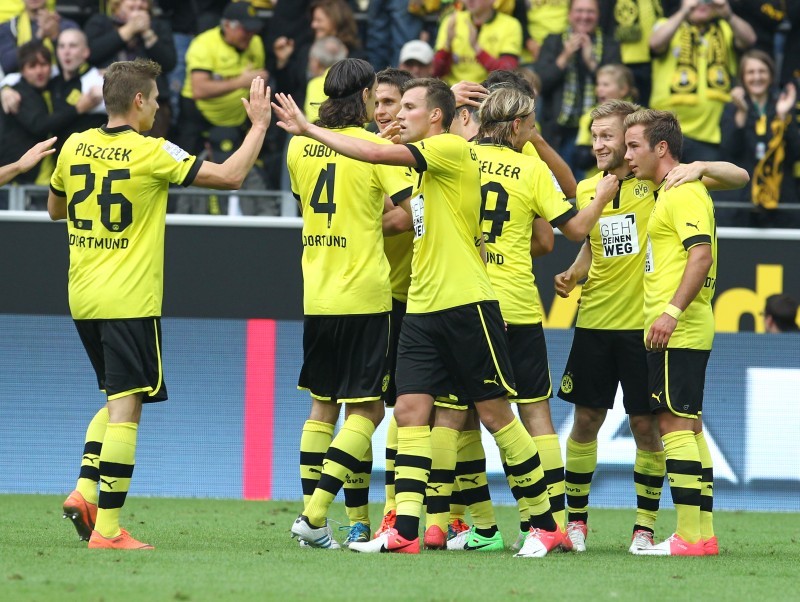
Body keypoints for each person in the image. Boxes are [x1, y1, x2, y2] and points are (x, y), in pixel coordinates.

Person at [274, 77, 570, 558]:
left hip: (467, 304)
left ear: (436, 116)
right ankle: (405, 530)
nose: (396, 115)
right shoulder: (424, 164)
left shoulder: (451, 149)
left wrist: (309, 128)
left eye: (408, 106)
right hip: (422, 306)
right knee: (410, 412)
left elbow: (370, 155)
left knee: (496, 414)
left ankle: (545, 523)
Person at [50, 58, 272, 549]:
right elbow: (232, 176)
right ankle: (107, 530)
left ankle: (85, 490)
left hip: (83, 295)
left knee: (115, 396)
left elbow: (55, 209)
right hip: (129, 298)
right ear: (138, 101)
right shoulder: (151, 151)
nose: (157, 107)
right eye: (153, 99)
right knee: (128, 409)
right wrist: (257, 127)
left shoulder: (73, 145)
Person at [556, 100, 747, 555]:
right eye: (597, 136)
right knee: (588, 419)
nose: (604, 144)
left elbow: (739, 179)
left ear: (636, 145)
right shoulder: (591, 189)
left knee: (657, 425)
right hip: (599, 322)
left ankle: (649, 527)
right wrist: (575, 272)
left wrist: (698, 165)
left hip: (653, 324)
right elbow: (594, 243)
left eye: (614, 137)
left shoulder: (666, 186)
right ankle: (578, 522)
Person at [443, 85, 622, 552]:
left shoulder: (457, 155)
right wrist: (601, 195)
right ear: (520, 125)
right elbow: (575, 230)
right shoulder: (530, 167)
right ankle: (552, 523)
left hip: (465, 299)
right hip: (518, 304)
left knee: (464, 415)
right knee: (535, 414)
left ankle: (481, 527)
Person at [285, 58, 414, 550]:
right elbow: (404, 217)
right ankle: (315, 514)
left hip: (317, 293)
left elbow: (310, 204)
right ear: (364, 96)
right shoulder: (378, 148)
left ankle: (310, 521)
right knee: (368, 412)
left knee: (322, 407)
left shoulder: (300, 147)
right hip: (365, 293)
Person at [623, 108, 718, 557]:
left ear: (662, 147)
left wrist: (671, 312)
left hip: (677, 329)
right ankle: (702, 535)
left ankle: (685, 537)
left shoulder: (681, 193)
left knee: (674, 425)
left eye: (633, 146)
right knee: (690, 427)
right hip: (683, 327)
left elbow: (701, 256)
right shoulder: (674, 191)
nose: (627, 156)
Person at [649, 0, 756, 162]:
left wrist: (728, 14)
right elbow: (655, 43)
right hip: (665, 132)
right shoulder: (667, 24)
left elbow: (749, 39)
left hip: (710, 135)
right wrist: (684, 12)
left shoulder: (726, 28)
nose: (700, 3)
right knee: (665, 186)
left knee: (704, 187)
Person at [0, 41, 101, 208]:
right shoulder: (17, 93)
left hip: (47, 178)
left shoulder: (53, 85)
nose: (39, 71)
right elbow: (39, 125)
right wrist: (78, 108)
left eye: (44, 64)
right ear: (22, 70)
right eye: (32, 66)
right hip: (18, 180)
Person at [534, 0, 621, 169]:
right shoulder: (553, 42)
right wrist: (565, 56)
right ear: (569, 15)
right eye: (579, 11)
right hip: (557, 128)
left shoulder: (610, 45)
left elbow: (617, 87)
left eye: (590, 12)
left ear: (598, 15)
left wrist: (591, 62)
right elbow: (540, 84)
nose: (584, 16)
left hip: (593, 129)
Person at [717, 50, 800, 228]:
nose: (757, 77)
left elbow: (796, 153)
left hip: (780, 198)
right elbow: (729, 151)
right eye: (751, 72)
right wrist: (742, 113)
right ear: (743, 77)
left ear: (771, 76)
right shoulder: (732, 108)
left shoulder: (783, 105)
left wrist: (783, 116)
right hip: (743, 200)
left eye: (762, 71)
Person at [83, 0, 177, 138]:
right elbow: (91, 53)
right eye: (132, 4)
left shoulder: (158, 25)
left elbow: (169, 63)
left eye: (142, 4)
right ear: (117, 5)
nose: (138, 7)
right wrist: (129, 29)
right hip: (106, 102)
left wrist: (147, 33)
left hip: (150, 100)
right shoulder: (100, 22)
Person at [433, 0, 523, 86]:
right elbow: (436, 72)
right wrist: (447, 46)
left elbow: (507, 74)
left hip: (490, 92)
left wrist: (477, 48)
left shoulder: (510, 25)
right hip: (454, 90)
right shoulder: (451, 20)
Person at [0, 0, 79, 74]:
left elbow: (77, 63)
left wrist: (55, 37)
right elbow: (7, 65)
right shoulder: (10, 28)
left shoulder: (66, 25)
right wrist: (38, 37)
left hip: (61, 82)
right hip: (22, 85)